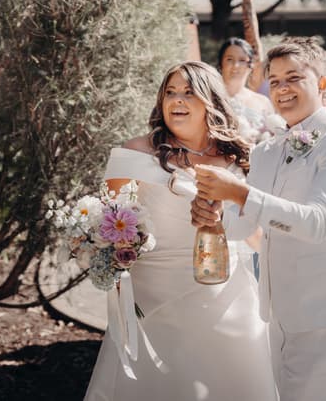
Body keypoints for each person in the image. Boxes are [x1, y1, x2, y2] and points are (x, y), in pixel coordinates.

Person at [190, 38, 326, 401]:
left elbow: (319, 222)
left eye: (293, 77)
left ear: (322, 84)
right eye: (274, 81)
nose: (282, 88)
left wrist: (239, 193)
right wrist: (215, 215)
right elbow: (245, 225)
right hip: (279, 311)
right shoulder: (266, 150)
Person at [83, 62, 278, 401]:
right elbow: (108, 216)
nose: (177, 100)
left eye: (189, 93)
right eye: (170, 92)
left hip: (228, 291)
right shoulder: (135, 154)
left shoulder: (242, 155)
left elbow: (256, 232)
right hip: (156, 294)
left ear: (211, 101)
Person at [217, 37, 273, 143]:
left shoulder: (263, 102)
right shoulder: (210, 99)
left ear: (250, 66)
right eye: (229, 59)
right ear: (221, 64)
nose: (236, 66)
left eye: (242, 60)